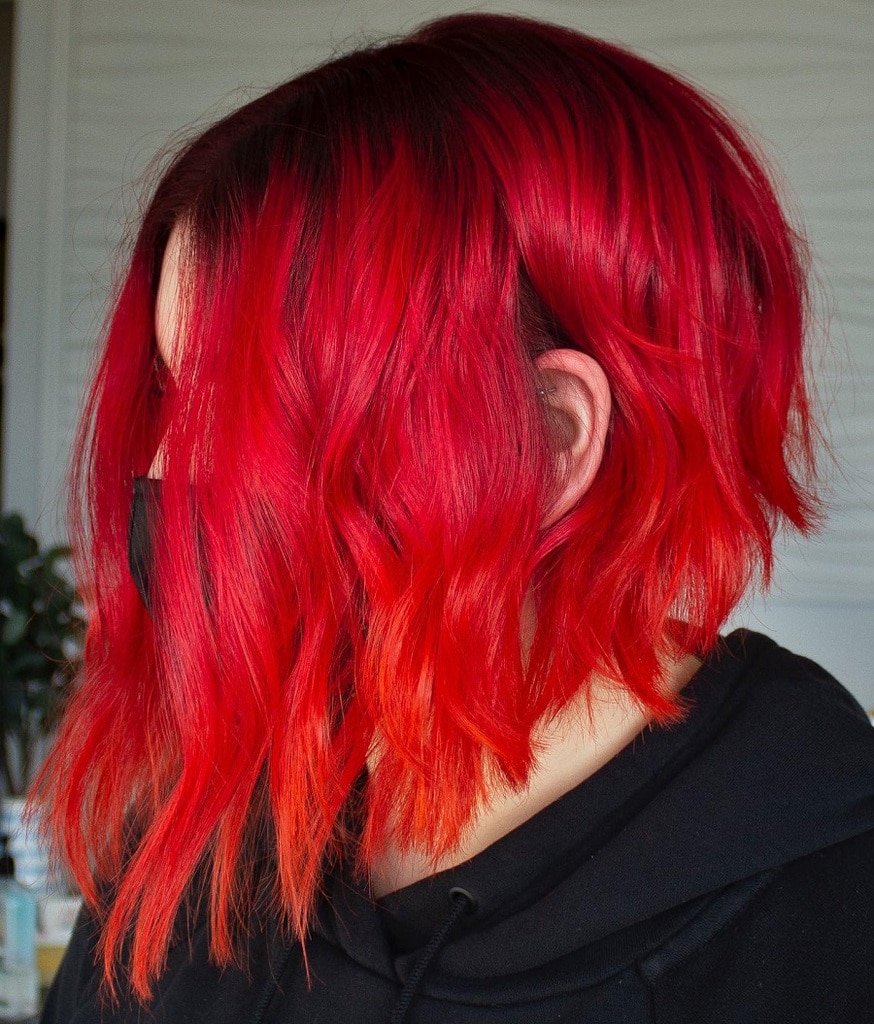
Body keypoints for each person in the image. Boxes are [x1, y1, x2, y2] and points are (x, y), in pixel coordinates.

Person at [35, 12, 874, 1023]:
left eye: (251, 407)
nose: (169, 468)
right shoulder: (196, 839)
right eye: (177, 395)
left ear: (551, 441)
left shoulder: (829, 931)